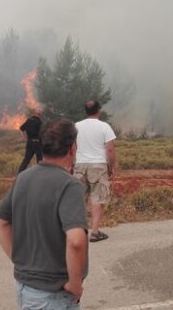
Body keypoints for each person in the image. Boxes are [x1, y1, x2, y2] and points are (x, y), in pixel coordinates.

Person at [0, 119, 88, 309]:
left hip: (25, 288)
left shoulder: (23, 178)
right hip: (53, 296)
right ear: (72, 148)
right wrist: (75, 285)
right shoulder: (69, 185)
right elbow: (76, 242)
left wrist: (21, 262)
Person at [74, 100, 117, 243]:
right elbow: (110, 149)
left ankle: (76, 231)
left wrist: (71, 164)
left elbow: (72, 147)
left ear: (86, 111)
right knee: (97, 198)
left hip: (79, 165)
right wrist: (111, 167)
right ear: (99, 110)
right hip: (98, 166)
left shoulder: (76, 126)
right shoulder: (104, 126)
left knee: (78, 199)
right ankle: (95, 232)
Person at [17, 109, 43, 173]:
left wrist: (24, 137)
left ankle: (20, 173)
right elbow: (42, 133)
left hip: (29, 142)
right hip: (37, 143)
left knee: (26, 159)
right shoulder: (40, 122)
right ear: (40, 115)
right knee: (39, 159)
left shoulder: (28, 120)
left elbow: (21, 129)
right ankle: (40, 173)